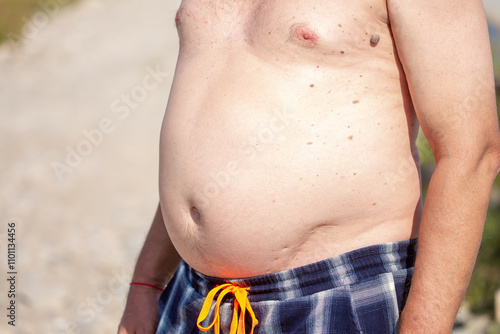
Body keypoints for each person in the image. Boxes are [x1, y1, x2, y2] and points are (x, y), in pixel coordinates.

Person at [118, 0, 500, 333]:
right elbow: (205, 137)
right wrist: (146, 283)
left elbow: (472, 151)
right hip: (196, 298)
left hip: (335, 296)